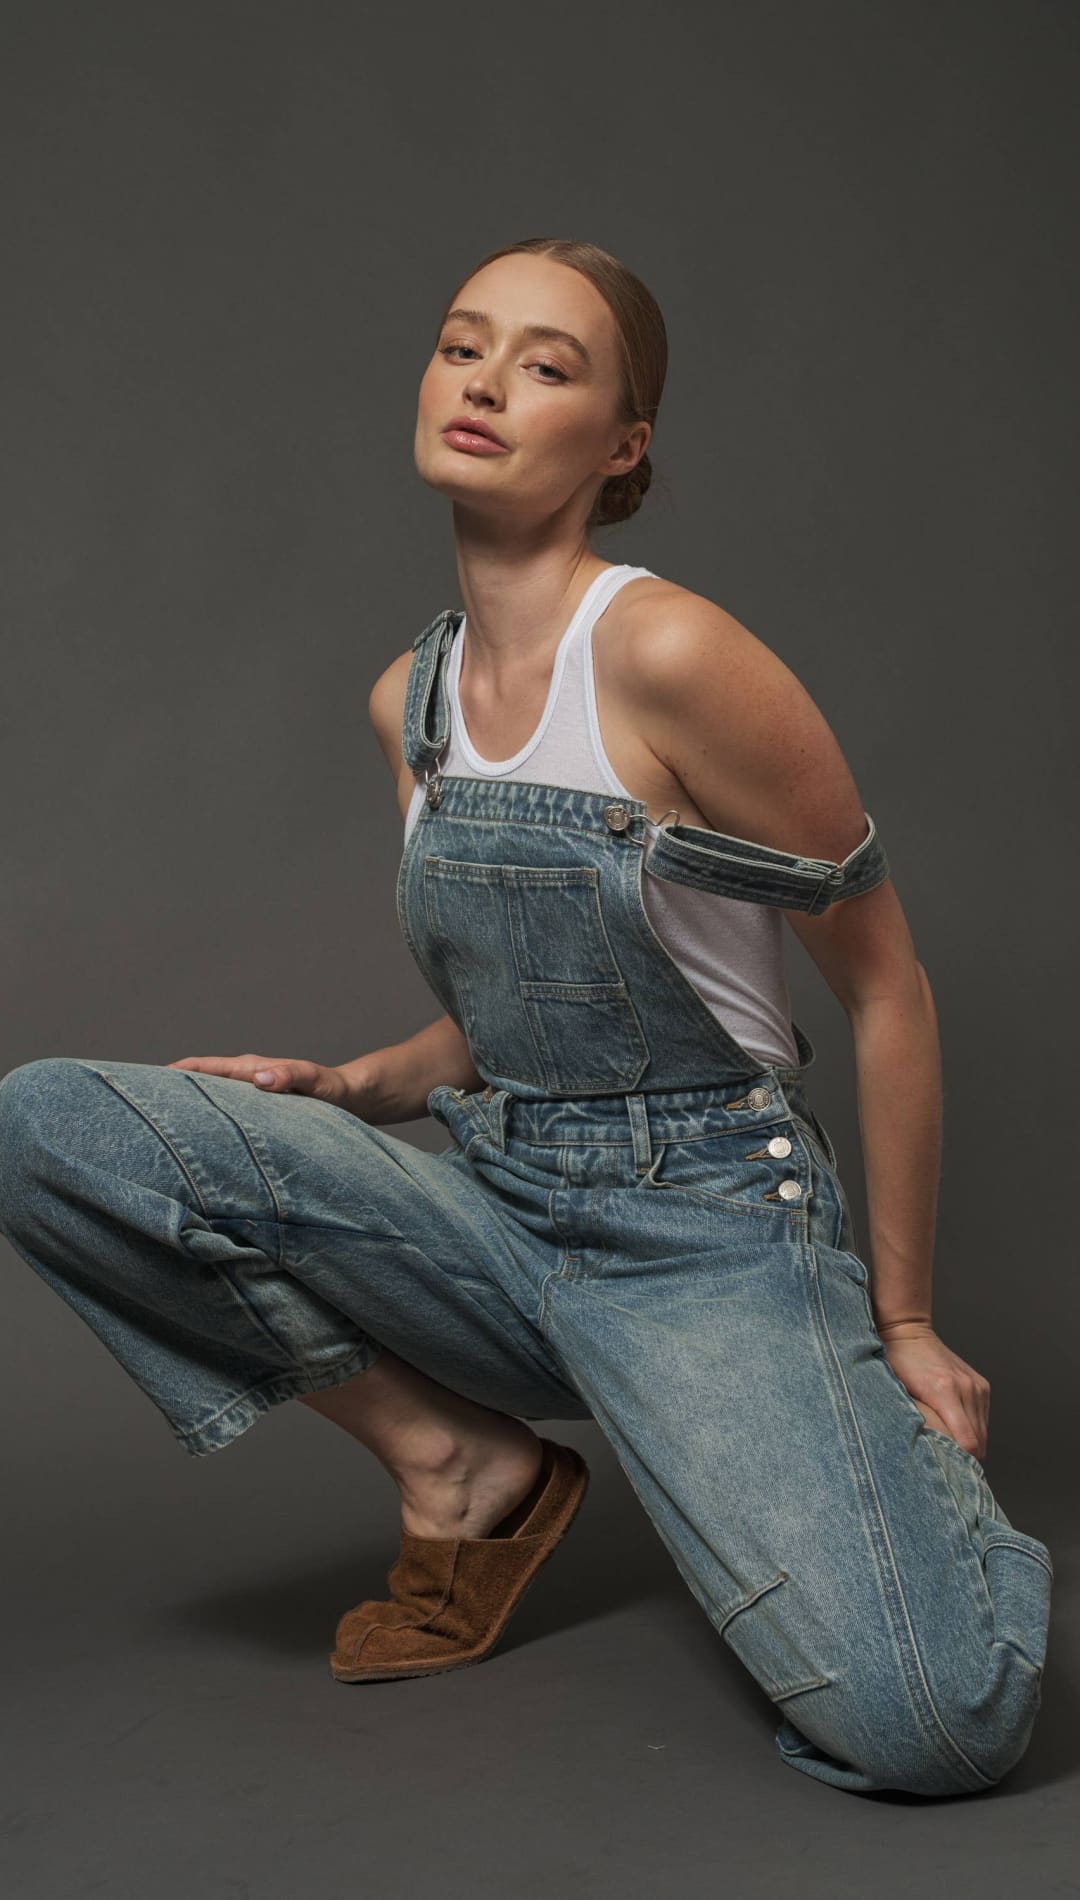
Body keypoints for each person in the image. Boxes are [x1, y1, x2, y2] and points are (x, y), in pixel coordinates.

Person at [0, 237, 1053, 1796]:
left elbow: (886, 983)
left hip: (707, 1236)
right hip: (499, 1205)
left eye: (549, 364)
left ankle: (876, 1468)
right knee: (47, 1125)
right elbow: (510, 1017)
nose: (487, 381)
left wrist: (902, 1323)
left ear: (624, 445)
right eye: (461, 345)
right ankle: (461, 1464)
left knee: (939, 1726)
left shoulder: (673, 655)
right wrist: (356, 1086)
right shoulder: (407, 704)